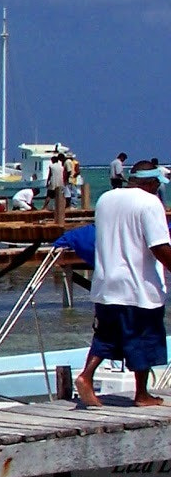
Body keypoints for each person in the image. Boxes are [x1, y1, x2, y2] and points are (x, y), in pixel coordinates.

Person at [75, 160, 171, 408]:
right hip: (138, 286)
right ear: (151, 182)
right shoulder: (150, 203)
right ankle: (142, 394)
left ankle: (86, 376)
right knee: (143, 338)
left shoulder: (106, 199)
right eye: (158, 184)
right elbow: (159, 246)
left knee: (106, 335)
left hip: (106, 284)